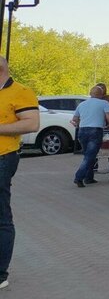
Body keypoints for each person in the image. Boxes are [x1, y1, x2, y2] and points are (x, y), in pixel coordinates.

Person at [0, 56, 39, 290]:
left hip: (2, 158)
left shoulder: (21, 92)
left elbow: (31, 123)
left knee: (1, 216)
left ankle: (0, 273)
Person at [71, 86, 109, 187]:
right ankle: (79, 177)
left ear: (90, 94)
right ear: (101, 95)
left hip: (82, 131)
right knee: (90, 156)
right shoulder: (104, 103)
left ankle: (89, 178)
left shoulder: (81, 104)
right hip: (95, 131)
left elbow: (75, 119)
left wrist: (80, 123)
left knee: (88, 155)